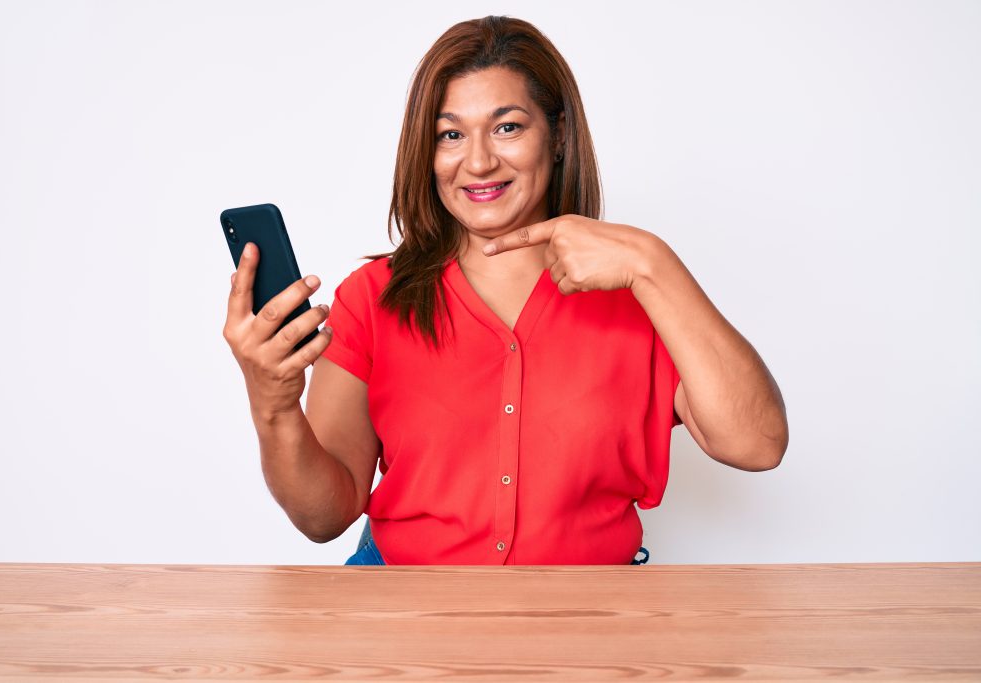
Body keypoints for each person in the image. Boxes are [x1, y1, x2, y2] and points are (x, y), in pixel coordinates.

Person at [222, 16, 788, 566]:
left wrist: (652, 261)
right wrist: (273, 406)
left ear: (559, 134)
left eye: (507, 126)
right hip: (403, 617)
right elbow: (324, 517)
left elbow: (756, 444)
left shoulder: (640, 294)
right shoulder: (371, 298)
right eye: (450, 134)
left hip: (591, 623)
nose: (478, 161)